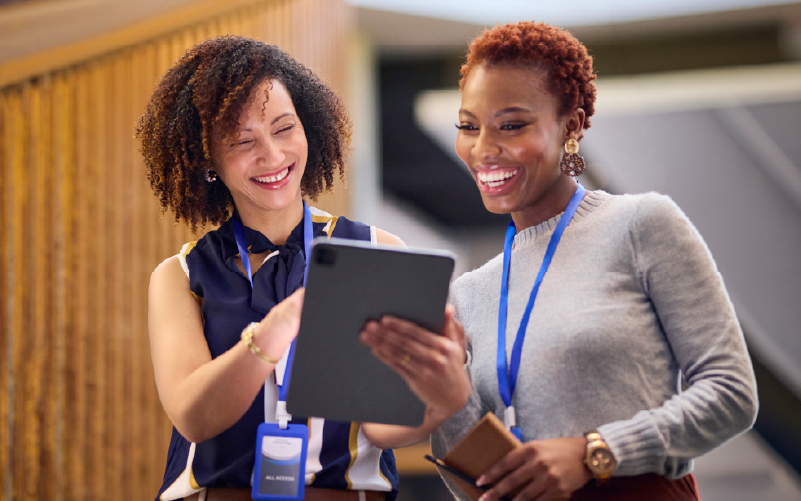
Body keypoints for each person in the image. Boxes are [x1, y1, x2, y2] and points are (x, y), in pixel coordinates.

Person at [360, 21, 758, 501]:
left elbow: (731, 392)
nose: (484, 149)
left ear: (570, 127)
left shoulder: (641, 224)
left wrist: (593, 451)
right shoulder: (469, 292)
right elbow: (481, 487)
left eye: (511, 125)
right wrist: (450, 403)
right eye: (468, 126)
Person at [136, 36, 457, 501]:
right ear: (207, 161)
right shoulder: (181, 274)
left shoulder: (376, 249)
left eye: (284, 128)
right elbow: (194, 417)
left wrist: (440, 402)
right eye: (243, 141)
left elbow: (382, 429)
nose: (272, 156)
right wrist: (277, 328)